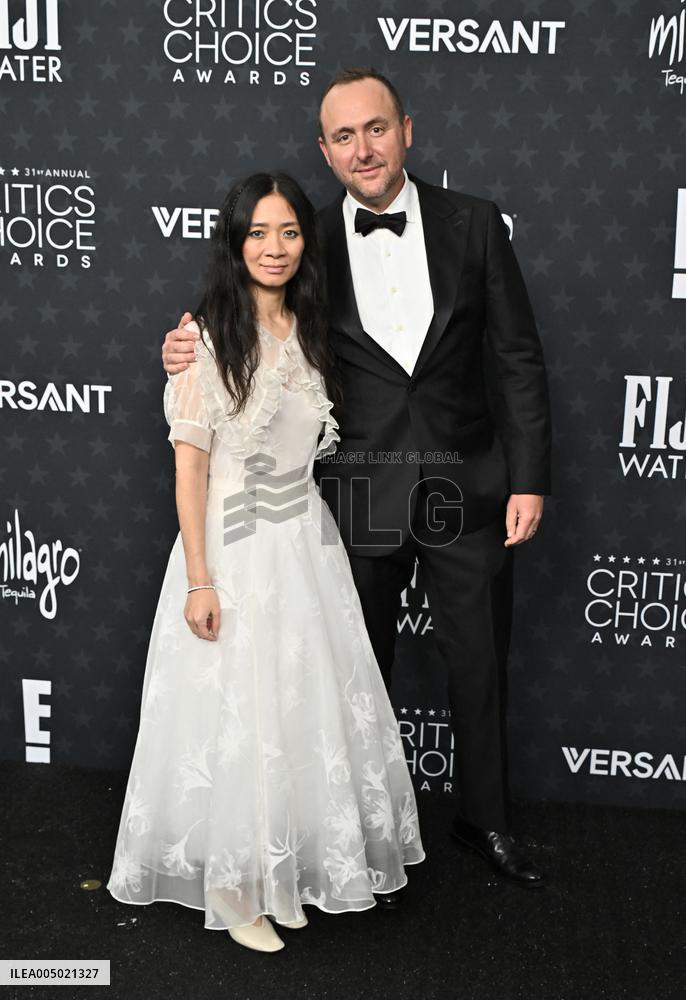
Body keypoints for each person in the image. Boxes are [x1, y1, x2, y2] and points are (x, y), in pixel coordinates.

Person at [162, 68, 552, 893]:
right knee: (344, 674)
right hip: (349, 497)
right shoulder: (305, 244)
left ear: (406, 129)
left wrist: (528, 477)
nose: (362, 148)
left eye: (376, 129)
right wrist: (185, 343)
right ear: (324, 150)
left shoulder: (475, 224)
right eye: (343, 136)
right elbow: (246, 322)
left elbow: (516, 357)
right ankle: (340, 836)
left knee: (479, 663)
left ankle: (487, 819)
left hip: (467, 485)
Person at [107, 171, 424, 953]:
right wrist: (201, 581)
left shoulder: (314, 329)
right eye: (258, 233)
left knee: (294, 712)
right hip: (232, 546)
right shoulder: (207, 338)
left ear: (303, 243)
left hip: (305, 542)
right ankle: (232, 888)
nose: (274, 248)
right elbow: (190, 471)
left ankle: (280, 872)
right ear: (235, 242)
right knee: (235, 716)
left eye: (288, 232)